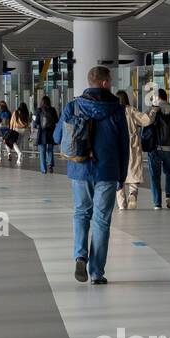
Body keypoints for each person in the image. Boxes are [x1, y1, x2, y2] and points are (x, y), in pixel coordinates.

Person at [55, 66, 128, 286]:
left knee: (81, 213)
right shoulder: (116, 110)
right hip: (107, 170)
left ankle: (80, 255)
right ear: (105, 83)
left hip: (80, 169)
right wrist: (121, 176)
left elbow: (58, 135)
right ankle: (97, 272)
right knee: (101, 220)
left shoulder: (74, 106)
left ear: (89, 82)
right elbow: (124, 146)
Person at [115, 89, 152, 210]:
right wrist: (152, 112)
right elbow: (145, 121)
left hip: (118, 145)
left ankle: (121, 204)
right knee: (134, 169)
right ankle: (132, 193)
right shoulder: (131, 110)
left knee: (118, 174)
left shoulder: (114, 112)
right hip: (132, 145)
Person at [146, 88, 170, 209]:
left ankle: (157, 203)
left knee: (155, 175)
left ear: (157, 98)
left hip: (155, 148)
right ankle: (169, 196)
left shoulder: (152, 111)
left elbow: (145, 125)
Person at [35, 95, 58, 173]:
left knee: (42, 151)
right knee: (50, 150)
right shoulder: (53, 110)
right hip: (51, 132)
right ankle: (50, 165)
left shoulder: (39, 110)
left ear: (42, 102)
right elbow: (56, 120)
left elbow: (36, 122)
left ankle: (43, 169)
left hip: (42, 133)